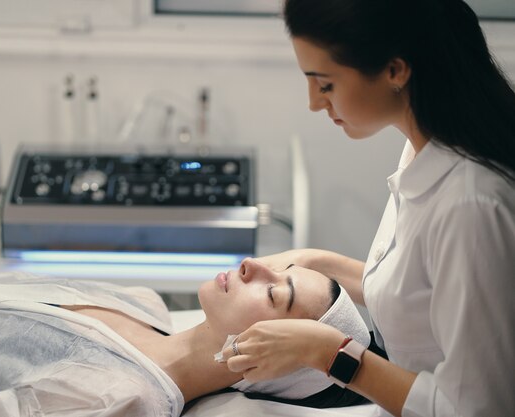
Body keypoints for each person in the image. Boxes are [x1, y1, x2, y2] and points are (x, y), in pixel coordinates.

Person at [221, 1, 515, 417]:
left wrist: (325, 351)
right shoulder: (423, 152)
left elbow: (476, 409)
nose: (313, 103)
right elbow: (420, 292)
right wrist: (314, 260)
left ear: (395, 71)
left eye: (325, 85)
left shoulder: (471, 205)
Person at [0, 258, 370, 417]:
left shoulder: (121, 396)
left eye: (275, 292)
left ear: (265, 358)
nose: (252, 265)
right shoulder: (142, 303)